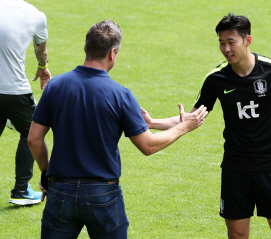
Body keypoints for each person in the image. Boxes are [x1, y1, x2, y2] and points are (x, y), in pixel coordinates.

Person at [141, 13, 271, 239]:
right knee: (236, 234)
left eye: (231, 42)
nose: (226, 49)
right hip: (235, 168)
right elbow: (192, 118)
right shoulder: (216, 79)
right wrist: (152, 123)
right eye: (221, 43)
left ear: (247, 41)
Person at [27, 20, 208, 239]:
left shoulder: (55, 86)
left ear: (85, 48)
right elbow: (148, 146)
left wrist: (46, 174)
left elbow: (34, 139)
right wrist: (183, 127)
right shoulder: (120, 95)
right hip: (103, 196)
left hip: (60, 192)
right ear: (113, 53)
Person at [0, 0, 51, 205]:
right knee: (32, 132)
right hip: (14, 90)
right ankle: (21, 191)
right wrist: (43, 66)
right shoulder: (35, 15)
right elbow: (41, 51)